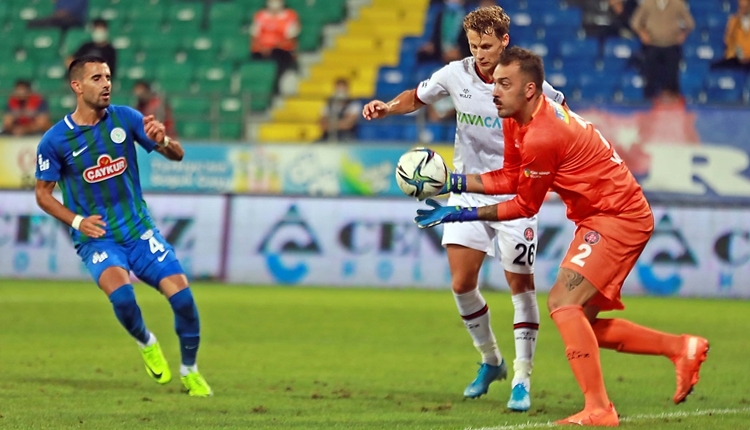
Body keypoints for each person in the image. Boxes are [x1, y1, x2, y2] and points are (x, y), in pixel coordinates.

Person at [414, 46, 709, 426]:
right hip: (601, 216)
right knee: (582, 323)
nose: (494, 91)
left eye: (504, 83)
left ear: (531, 90)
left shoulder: (543, 134)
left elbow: (524, 205)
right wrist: (454, 183)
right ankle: (680, 348)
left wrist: (461, 211)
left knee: (562, 303)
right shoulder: (515, 117)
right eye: (494, 82)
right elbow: (508, 177)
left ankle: (599, 409)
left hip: (618, 217)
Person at [362, 6, 565, 411]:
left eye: (487, 46)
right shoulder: (456, 73)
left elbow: (561, 118)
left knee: (520, 288)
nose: (480, 54)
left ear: (504, 41)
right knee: (460, 283)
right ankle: (491, 361)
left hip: (516, 195)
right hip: (469, 189)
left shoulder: (524, 81)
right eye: (473, 45)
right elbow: (417, 97)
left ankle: (522, 378)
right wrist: (387, 106)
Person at [34, 55, 211, 397]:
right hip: (99, 238)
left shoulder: (125, 118)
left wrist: (162, 141)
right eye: (97, 78)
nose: (106, 84)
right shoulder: (55, 141)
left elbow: (177, 155)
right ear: (77, 85)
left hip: (139, 231)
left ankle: (190, 371)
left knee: (185, 300)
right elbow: (43, 195)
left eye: (108, 77)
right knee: (125, 299)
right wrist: (77, 221)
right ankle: (147, 342)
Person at [630, 0, 694, 100]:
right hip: (653, 46)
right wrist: (642, 34)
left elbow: (690, 23)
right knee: (651, 77)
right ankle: (649, 103)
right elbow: (635, 22)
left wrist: (683, 35)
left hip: (671, 46)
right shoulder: (648, 3)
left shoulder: (677, 4)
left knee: (672, 78)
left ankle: (673, 106)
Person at [250, 0, 300, 93]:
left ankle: (274, 88)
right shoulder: (260, 15)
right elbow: (254, 36)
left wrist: (272, 47)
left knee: (277, 57)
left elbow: (290, 38)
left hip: (281, 51)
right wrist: (262, 47)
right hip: (261, 51)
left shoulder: (290, 16)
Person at [418, 0, 467, 64]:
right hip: (441, 55)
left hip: (461, 57)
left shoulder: (469, 17)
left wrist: (461, 53)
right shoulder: (441, 15)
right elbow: (436, 38)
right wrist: (432, 46)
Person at [711, 0, 750, 72]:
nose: (741, 6)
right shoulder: (733, 21)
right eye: (740, 4)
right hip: (736, 58)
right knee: (714, 66)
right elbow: (729, 42)